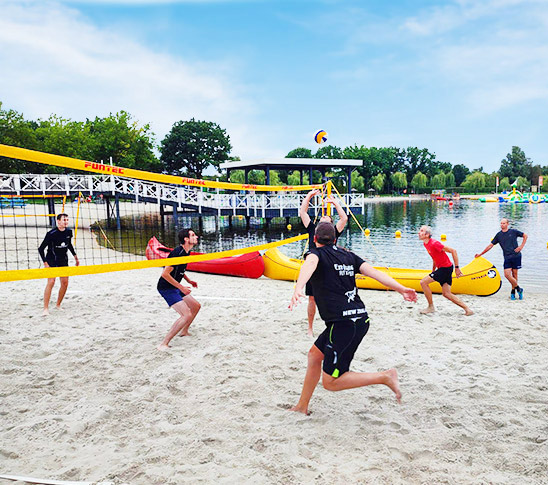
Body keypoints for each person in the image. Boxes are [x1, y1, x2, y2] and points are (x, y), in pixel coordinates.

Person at [288, 222, 417, 415]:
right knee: (314, 356)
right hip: (358, 319)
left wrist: (299, 287)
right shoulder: (349, 255)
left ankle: (385, 377)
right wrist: (401, 288)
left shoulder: (315, 254)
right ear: (335, 239)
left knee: (331, 383)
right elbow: (375, 273)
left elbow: (310, 264)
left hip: (344, 325)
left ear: (314, 239)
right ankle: (302, 406)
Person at [299, 189, 348, 337]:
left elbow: (344, 218)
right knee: (312, 299)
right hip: (314, 268)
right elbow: (303, 213)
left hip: (330, 268)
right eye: (322, 218)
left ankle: (335, 325)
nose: (323, 218)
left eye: (327, 218)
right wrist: (309, 196)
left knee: (333, 298)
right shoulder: (313, 229)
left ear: (331, 224)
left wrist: (335, 202)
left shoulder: (333, 231)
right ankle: (310, 328)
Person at [157, 228, 202, 351]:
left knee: (196, 306)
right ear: (186, 239)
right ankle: (163, 344)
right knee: (186, 314)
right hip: (166, 287)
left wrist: (188, 281)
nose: (196, 237)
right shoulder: (177, 253)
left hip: (175, 285)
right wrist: (182, 287)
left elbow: (180, 269)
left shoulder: (186, 252)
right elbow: (165, 274)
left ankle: (184, 331)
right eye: (193, 235)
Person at [418, 225, 473, 316]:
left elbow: (453, 251)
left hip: (445, 269)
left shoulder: (435, 243)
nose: (419, 233)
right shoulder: (425, 244)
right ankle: (467, 309)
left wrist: (457, 268)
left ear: (427, 234)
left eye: (421, 231)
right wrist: (433, 270)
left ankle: (431, 307)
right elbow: (435, 258)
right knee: (447, 293)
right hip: (444, 268)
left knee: (423, 282)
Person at [475, 218, 527, 300]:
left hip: (516, 256)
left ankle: (513, 292)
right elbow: (490, 246)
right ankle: (519, 289)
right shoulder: (499, 235)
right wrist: (481, 254)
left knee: (514, 274)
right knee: (507, 275)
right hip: (507, 257)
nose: (502, 225)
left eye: (504, 223)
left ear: (507, 224)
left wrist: (521, 246)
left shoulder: (513, 232)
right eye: (501, 223)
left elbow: (525, 235)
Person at [38, 213, 80, 316]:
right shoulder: (51, 234)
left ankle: (58, 305)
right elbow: (41, 249)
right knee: (51, 282)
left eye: (67, 220)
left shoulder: (69, 232)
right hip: (51, 260)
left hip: (63, 260)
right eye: (64, 220)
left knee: (65, 283)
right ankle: (45, 308)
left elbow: (69, 245)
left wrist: (75, 257)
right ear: (58, 221)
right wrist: (45, 263)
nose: (66, 222)